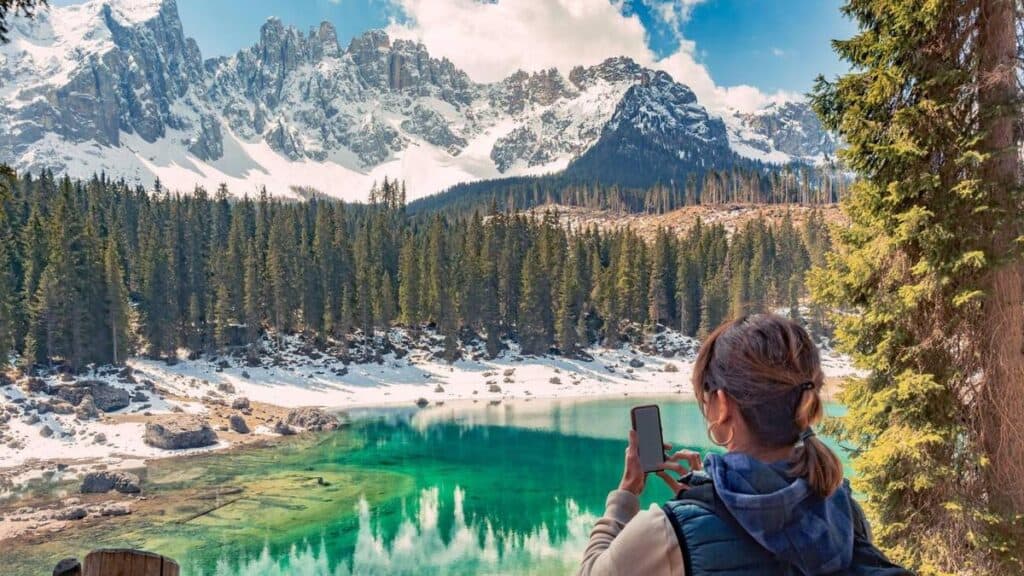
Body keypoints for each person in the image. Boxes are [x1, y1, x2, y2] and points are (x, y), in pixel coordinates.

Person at [578, 314, 909, 576]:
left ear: (722, 405)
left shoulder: (667, 532)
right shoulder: (841, 508)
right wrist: (705, 493)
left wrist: (626, 494)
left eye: (706, 396)